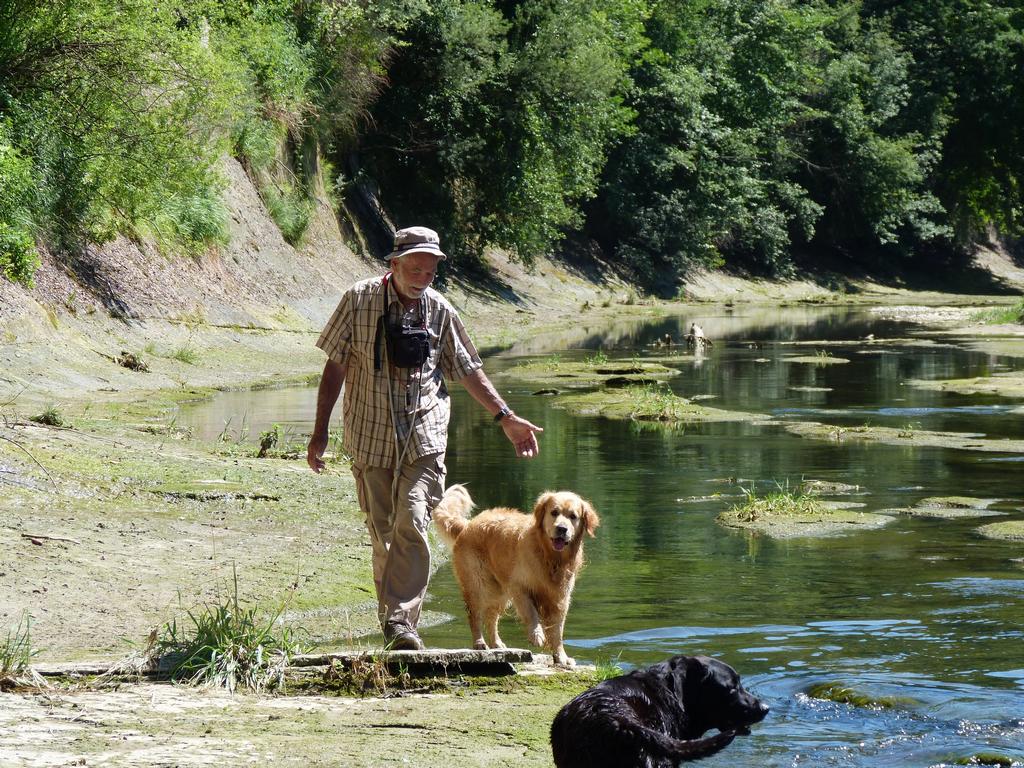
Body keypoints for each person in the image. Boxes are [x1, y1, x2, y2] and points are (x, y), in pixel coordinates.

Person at [306, 225, 543, 651]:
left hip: (424, 435)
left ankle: (402, 624)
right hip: (369, 433)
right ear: (393, 264)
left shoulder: (439, 310)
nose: (421, 277)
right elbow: (335, 366)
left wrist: (505, 417)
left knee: (412, 523)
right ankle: (393, 619)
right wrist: (321, 430)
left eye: (430, 271)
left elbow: (468, 369)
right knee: (384, 532)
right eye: (413, 268)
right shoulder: (358, 300)